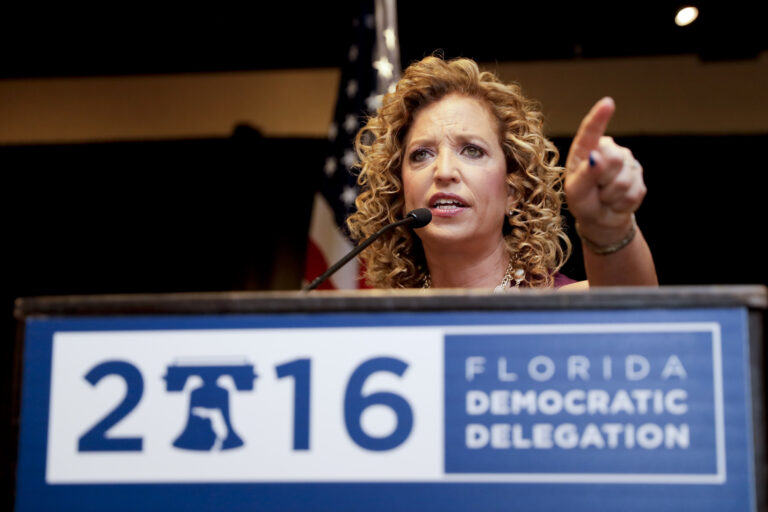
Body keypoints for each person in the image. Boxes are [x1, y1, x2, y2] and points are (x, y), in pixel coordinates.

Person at [346, 56, 657, 290]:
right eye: (421, 154)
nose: (443, 172)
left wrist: (607, 225)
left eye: (472, 150)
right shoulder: (382, 326)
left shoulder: (561, 307)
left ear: (514, 190)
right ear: (399, 193)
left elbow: (637, 319)